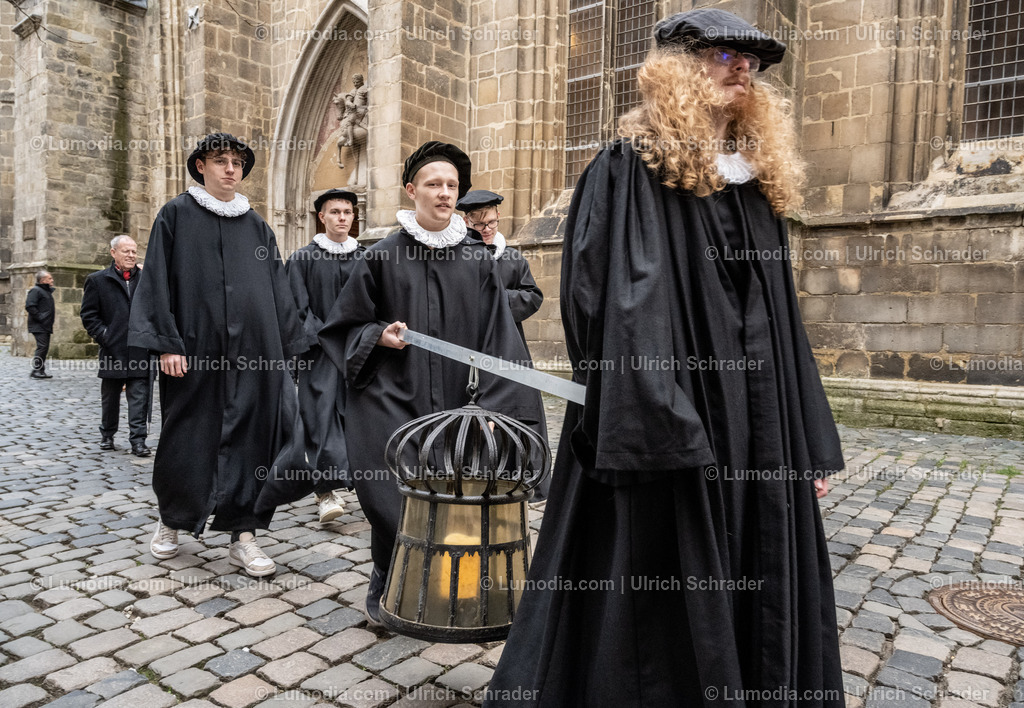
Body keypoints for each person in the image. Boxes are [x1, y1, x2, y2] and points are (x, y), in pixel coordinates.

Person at [487, 9, 845, 707]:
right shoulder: (626, 172)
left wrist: (804, 440)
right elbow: (603, 304)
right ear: (676, 69)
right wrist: (661, 421)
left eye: (751, 60)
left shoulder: (757, 189)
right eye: (723, 54)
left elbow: (784, 326)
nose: (742, 67)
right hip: (667, 426)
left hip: (760, 424)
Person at [318, 141, 545, 624]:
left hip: (457, 403)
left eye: (450, 186)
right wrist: (378, 334)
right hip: (391, 398)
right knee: (392, 496)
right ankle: (384, 582)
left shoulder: (478, 262)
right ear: (411, 190)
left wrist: (499, 407)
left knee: (450, 495)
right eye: (433, 184)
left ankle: (447, 590)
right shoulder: (380, 257)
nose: (443, 194)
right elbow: (342, 328)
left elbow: (500, 340)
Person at [129, 133, 308, 577]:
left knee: (252, 441)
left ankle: (243, 535)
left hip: (253, 357)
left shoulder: (257, 227)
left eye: (237, 162)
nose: (230, 168)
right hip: (194, 353)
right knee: (186, 438)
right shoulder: (175, 215)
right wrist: (166, 343)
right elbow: (156, 280)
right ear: (201, 167)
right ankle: (172, 519)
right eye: (220, 161)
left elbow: (278, 290)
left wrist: (288, 352)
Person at [256, 189, 365, 524]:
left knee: (358, 420)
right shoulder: (303, 259)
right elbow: (296, 309)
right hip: (318, 353)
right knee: (319, 421)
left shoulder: (364, 257)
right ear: (322, 217)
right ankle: (324, 492)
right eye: (335, 212)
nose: (342, 218)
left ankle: (365, 486)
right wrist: (324, 340)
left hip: (358, 351)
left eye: (347, 212)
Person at [457, 189, 550, 500]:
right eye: (481, 225)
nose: (488, 229)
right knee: (475, 406)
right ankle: (473, 472)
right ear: (467, 221)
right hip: (470, 345)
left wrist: (496, 302)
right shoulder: (461, 256)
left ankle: (520, 473)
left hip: (510, 343)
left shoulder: (511, 257)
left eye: (493, 223)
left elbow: (533, 296)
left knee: (517, 405)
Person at [80, 235, 151, 456]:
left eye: (134, 251)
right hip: (112, 350)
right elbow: (89, 315)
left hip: (140, 349)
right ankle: (107, 435)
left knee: (139, 398)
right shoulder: (98, 280)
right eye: (126, 251)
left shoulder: (146, 278)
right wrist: (105, 335)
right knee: (110, 398)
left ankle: (138, 441)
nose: (131, 255)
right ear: (113, 253)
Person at [25, 271, 55, 379]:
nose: (52, 280)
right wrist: (41, 317)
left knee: (44, 347)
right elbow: (30, 306)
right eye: (50, 278)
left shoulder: (45, 292)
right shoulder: (36, 290)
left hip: (45, 325)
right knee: (42, 347)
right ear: (42, 280)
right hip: (39, 325)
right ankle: (36, 370)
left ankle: (40, 370)